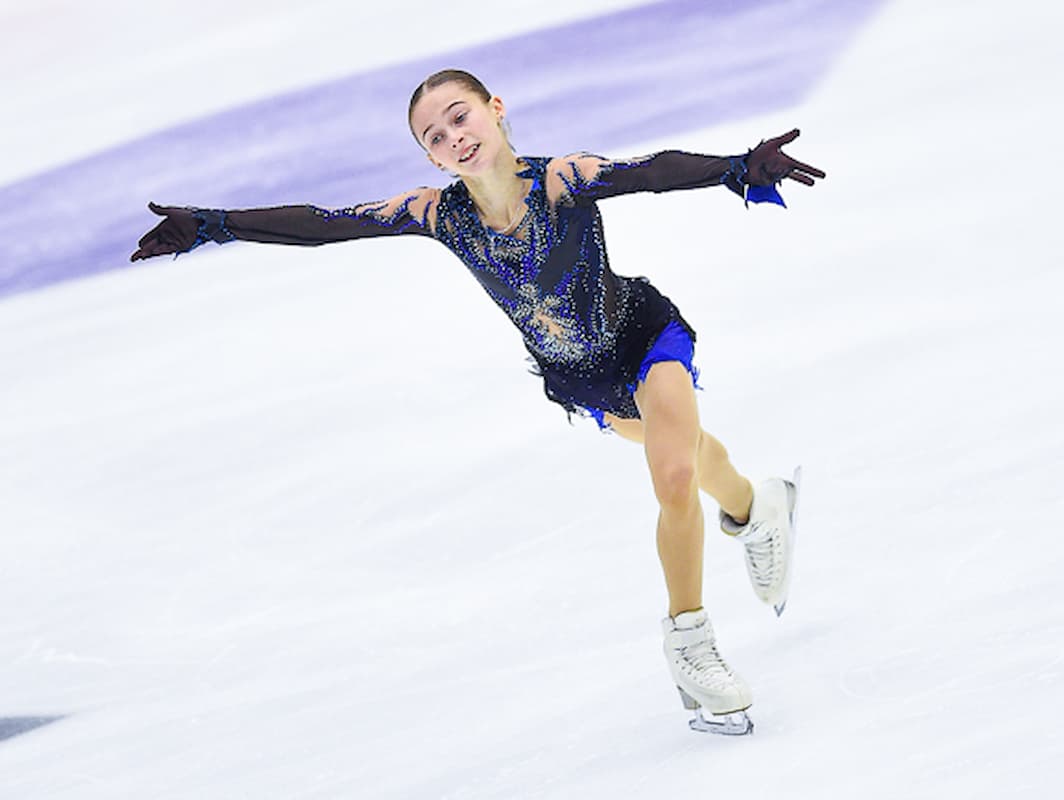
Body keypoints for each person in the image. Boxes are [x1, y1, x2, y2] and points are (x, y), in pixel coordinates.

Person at [131, 69, 824, 735]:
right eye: (433, 136)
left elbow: (651, 171)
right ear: (429, 156)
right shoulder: (436, 214)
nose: (452, 137)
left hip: (641, 334)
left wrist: (735, 167)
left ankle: (689, 644)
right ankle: (757, 508)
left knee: (672, 477)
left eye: (458, 117)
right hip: (579, 376)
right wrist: (216, 224)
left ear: (494, 107)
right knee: (689, 455)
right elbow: (324, 223)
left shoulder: (562, 179)